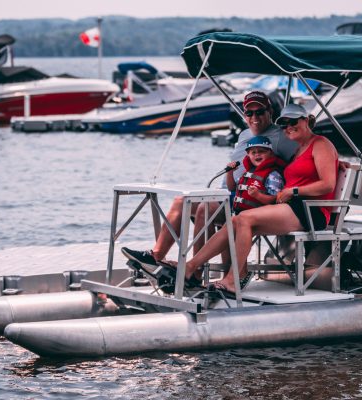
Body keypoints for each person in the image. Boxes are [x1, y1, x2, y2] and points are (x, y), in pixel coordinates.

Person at [121, 91, 297, 276]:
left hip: (249, 198)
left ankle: (195, 273)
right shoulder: (244, 134)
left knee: (206, 209)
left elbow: (297, 163)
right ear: (244, 115)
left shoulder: (281, 138)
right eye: (249, 113)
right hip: (227, 192)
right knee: (182, 201)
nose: (255, 117)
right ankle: (155, 257)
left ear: (270, 112)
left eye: (260, 112)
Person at [178, 103, 339, 294]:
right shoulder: (298, 149)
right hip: (291, 207)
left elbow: (328, 184)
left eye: (293, 122)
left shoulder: (321, 144)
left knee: (244, 219)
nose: (288, 127)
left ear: (306, 120)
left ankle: (233, 279)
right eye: (284, 124)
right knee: (236, 220)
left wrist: (294, 191)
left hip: (311, 211)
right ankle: (189, 267)